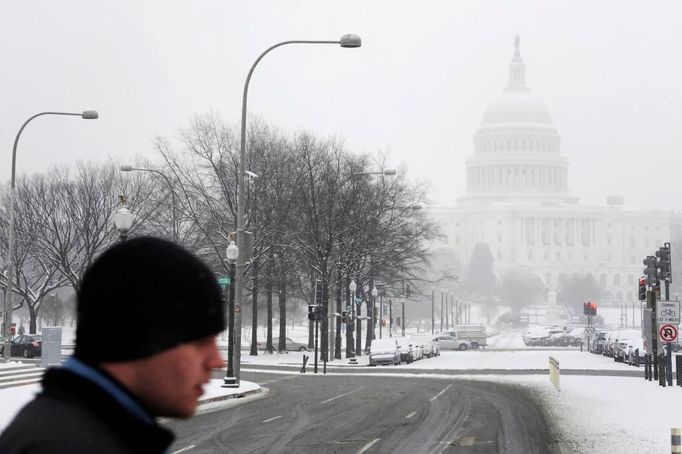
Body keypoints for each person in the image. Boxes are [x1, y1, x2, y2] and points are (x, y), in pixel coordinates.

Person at [0, 237, 226, 453]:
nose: (218, 361)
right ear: (138, 338)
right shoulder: (64, 446)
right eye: (200, 342)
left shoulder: (81, 430)